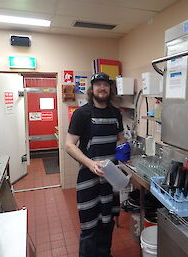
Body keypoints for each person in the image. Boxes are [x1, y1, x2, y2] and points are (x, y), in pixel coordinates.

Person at [65, 72, 126, 257]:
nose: (102, 88)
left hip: (110, 176)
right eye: (98, 85)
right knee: (90, 224)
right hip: (89, 177)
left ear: (110, 89)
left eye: (105, 85)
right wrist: (90, 164)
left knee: (107, 222)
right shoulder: (81, 114)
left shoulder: (116, 113)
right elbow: (69, 145)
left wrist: (125, 157)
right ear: (92, 89)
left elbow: (120, 140)